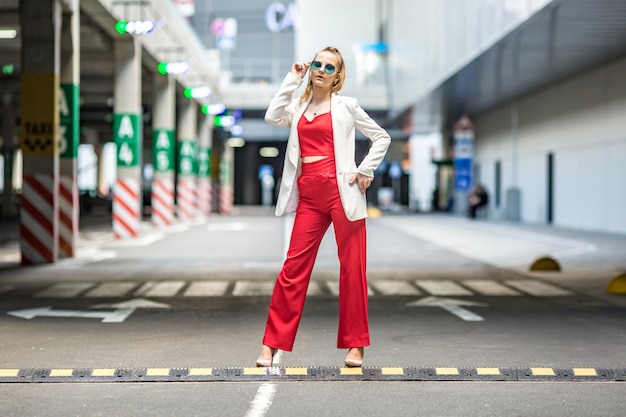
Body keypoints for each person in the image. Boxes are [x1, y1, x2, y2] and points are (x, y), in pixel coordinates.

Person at [256, 46, 391, 368]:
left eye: (328, 67)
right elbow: (272, 115)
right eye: (317, 64)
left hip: (341, 192)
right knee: (292, 271)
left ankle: (356, 346)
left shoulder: (347, 106)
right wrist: (294, 78)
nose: (320, 70)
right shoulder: (299, 109)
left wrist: (365, 170)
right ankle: (271, 343)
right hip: (309, 196)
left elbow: (381, 137)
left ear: (337, 77)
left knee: (352, 270)